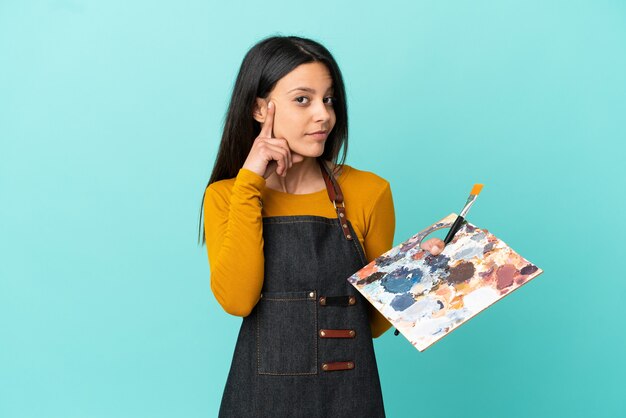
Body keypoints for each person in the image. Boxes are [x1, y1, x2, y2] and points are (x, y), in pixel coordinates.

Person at [198, 35, 444, 418]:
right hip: (260, 403)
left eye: (328, 99)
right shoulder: (227, 196)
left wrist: (418, 271)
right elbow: (238, 300)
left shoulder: (369, 191)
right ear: (260, 108)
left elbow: (374, 324)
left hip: (349, 400)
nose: (323, 115)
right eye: (303, 99)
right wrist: (249, 182)